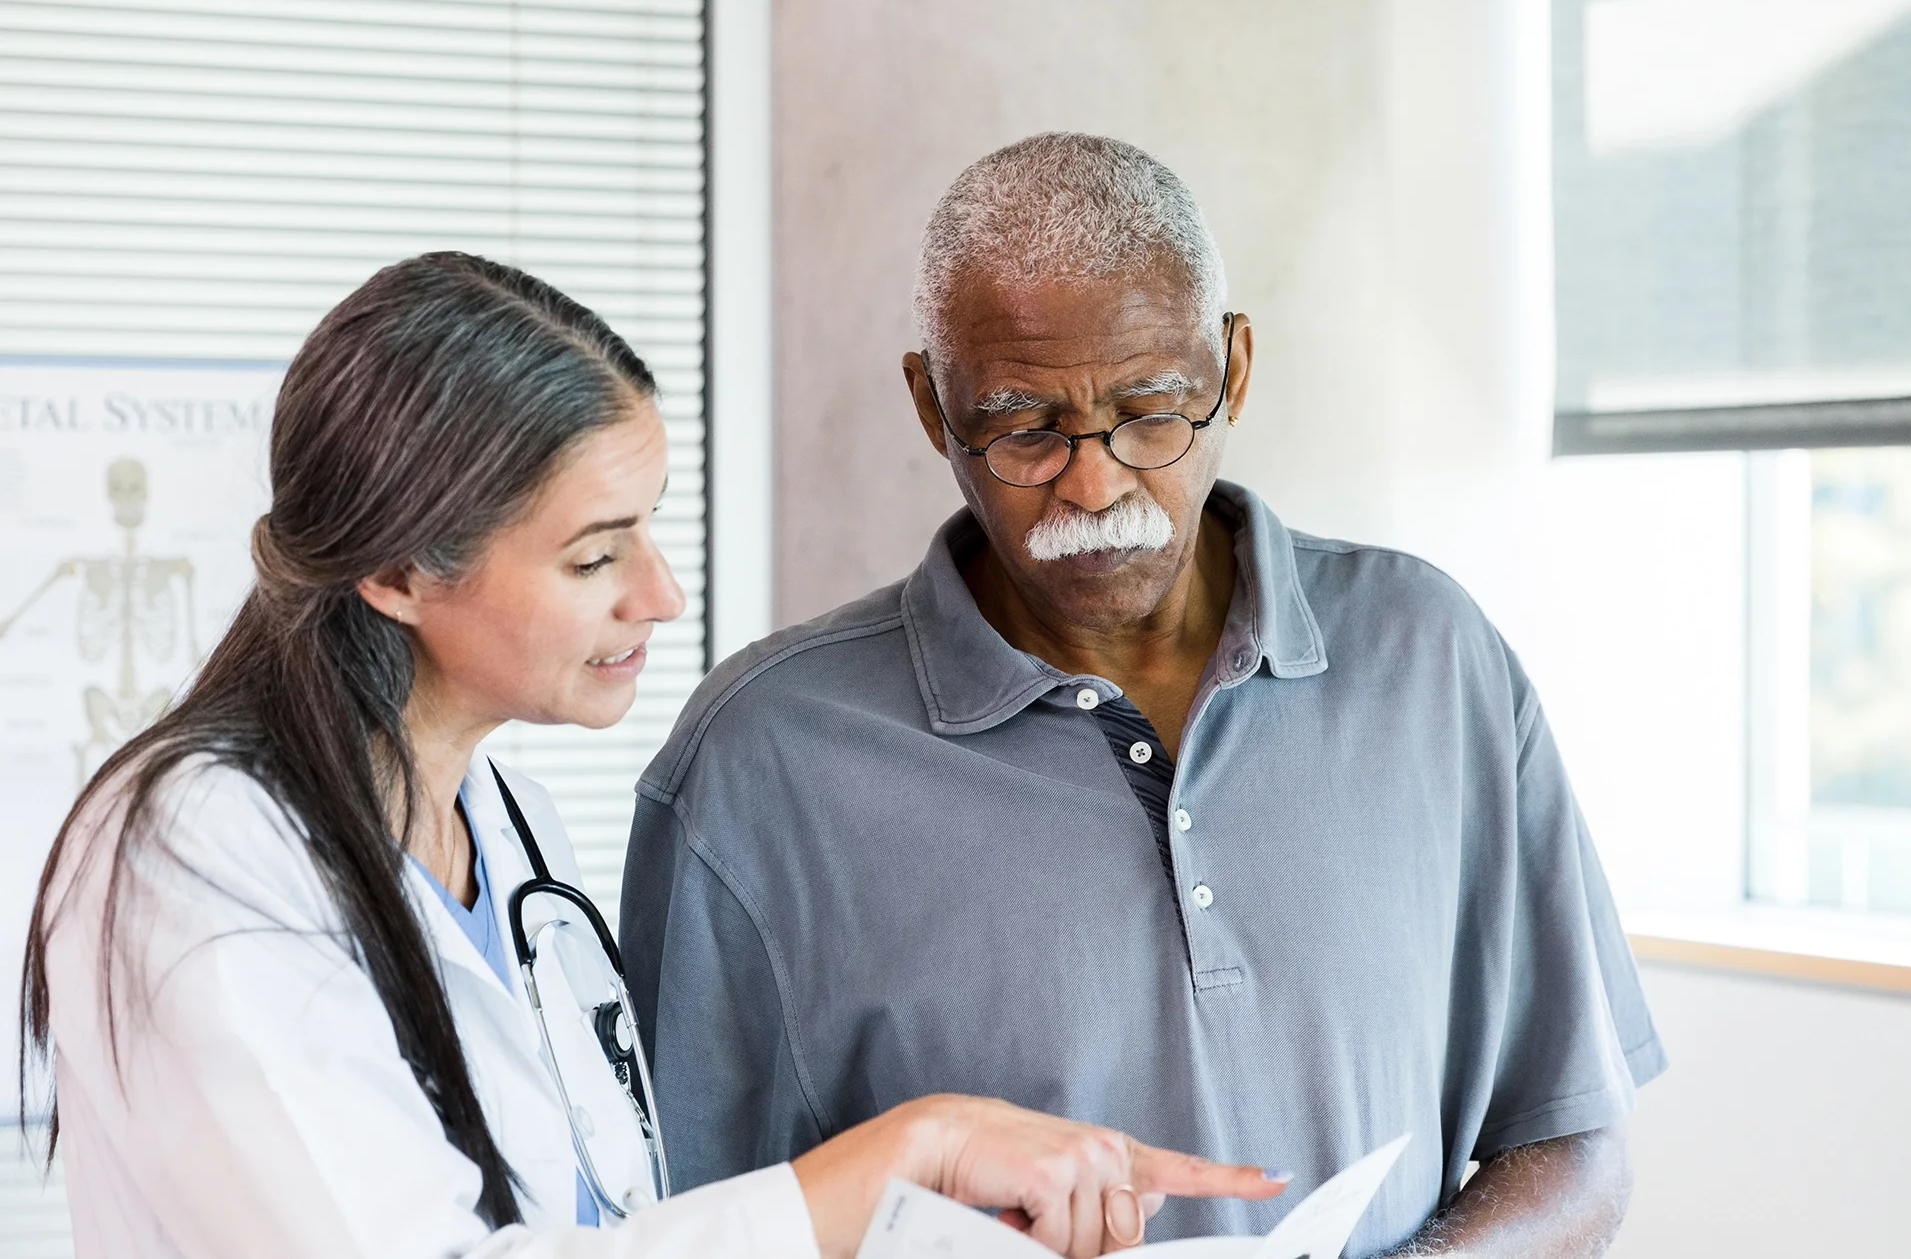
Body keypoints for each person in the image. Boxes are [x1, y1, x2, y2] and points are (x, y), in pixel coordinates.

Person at [17, 252, 1284, 1259]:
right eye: (594, 554)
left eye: (650, 531)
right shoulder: (193, 854)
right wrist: (900, 1156)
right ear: (399, 571)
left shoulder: (508, 834)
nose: (661, 595)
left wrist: (924, 1232)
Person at [620, 134, 1666, 1256]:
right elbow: (678, 1229)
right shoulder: (760, 763)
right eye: (1025, 427)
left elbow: (1572, 1141)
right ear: (934, 405)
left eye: (1153, 410)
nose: (1097, 480)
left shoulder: (1433, 659)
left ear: (1236, 366)